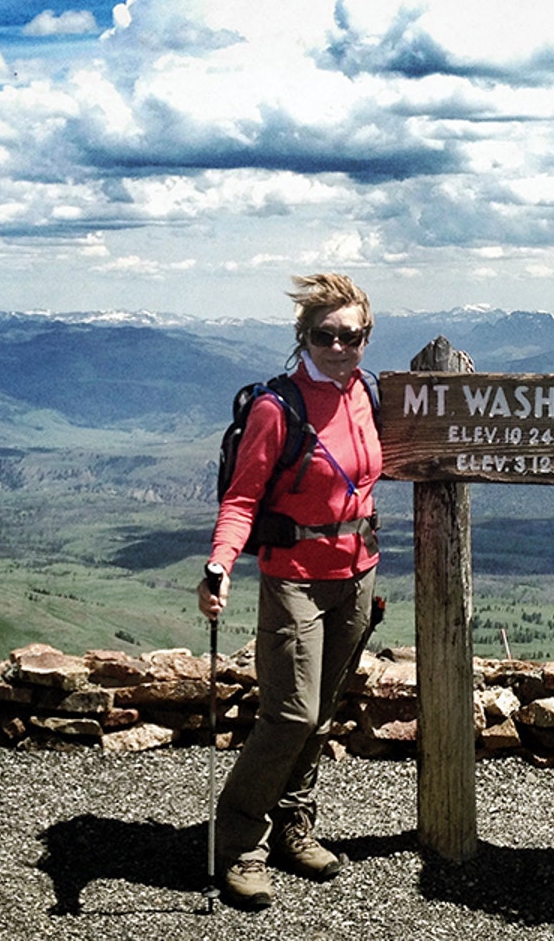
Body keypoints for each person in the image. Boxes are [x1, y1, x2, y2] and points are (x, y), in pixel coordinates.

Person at [199, 272, 383, 911]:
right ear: (304, 336)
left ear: (366, 336)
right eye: (326, 335)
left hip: (358, 573)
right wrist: (219, 565)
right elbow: (243, 497)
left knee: (322, 711)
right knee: (291, 713)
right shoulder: (279, 407)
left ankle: (294, 826)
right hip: (294, 578)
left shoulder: (370, 394)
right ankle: (240, 841)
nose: (340, 346)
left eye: (352, 334)